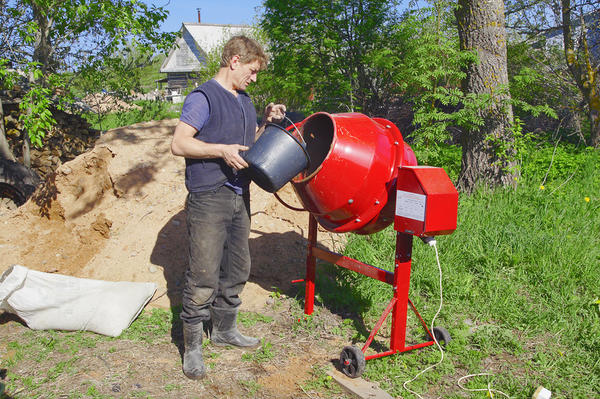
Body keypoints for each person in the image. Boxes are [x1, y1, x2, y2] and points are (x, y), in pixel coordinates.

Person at [170, 35, 286, 380]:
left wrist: (265, 122)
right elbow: (179, 143)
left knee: (237, 267)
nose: (255, 78)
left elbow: (247, 146)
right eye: (252, 70)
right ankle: (192, 346)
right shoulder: (203, 97)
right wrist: (220, 150)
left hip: (239, 194)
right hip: (208, 196)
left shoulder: (245, 100)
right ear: (234, 60)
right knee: (203, 273)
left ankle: (224, 330)